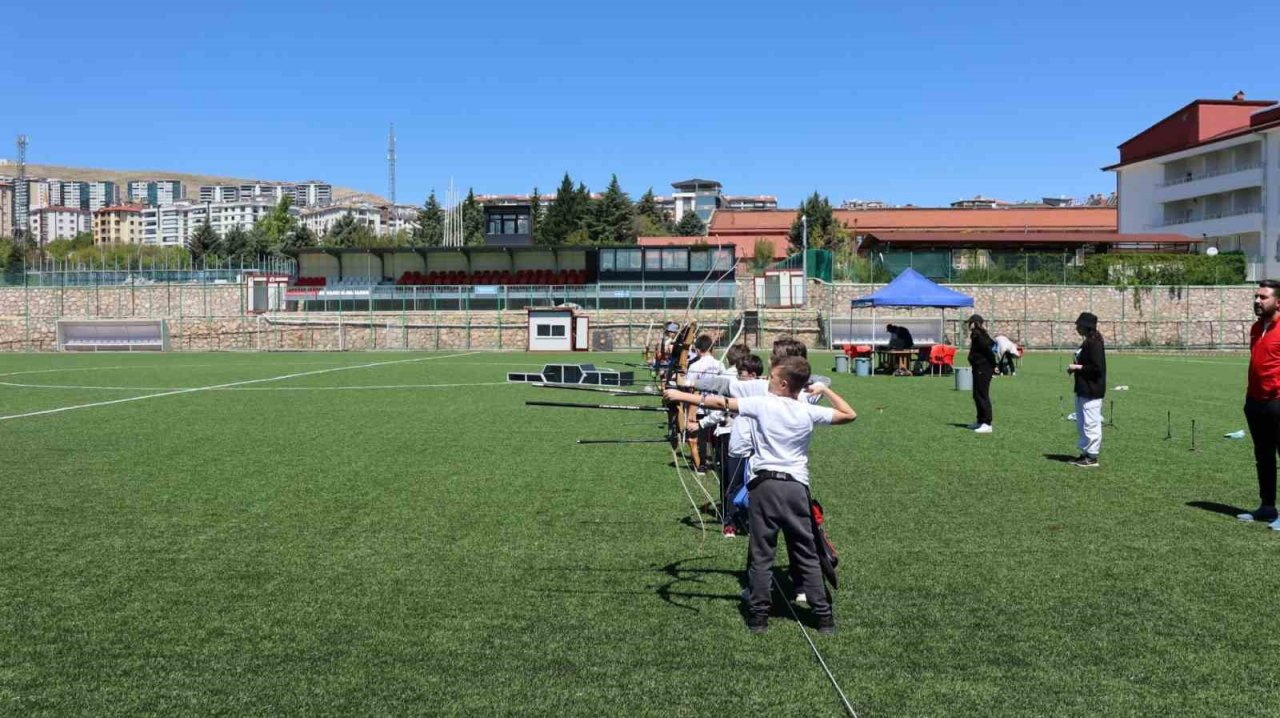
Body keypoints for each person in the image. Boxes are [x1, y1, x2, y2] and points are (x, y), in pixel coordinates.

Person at [665, 355, 856, 635]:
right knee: (806, 554)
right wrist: (824, 390)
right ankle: (824, 619)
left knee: (761, 553)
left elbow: (721, 403)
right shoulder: (806, 409)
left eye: (770, 377)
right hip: (795, 488)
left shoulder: (762, 404)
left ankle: (758, 618)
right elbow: (849, 414)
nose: (765, 381)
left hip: (765, 487)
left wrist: (679, 394)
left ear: (781, 383)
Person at [700, 351, 763, 537]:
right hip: (737, 446)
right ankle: (730, 523)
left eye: (741, 373)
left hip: (758, 448)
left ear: (752, 375)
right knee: (731, 485)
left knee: (755, 486)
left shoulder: (764, 390)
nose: (738, 376)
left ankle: (750, 521)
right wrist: (685, 385)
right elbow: (721, 408)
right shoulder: (738, 389)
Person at [1238, 280, 1280, 528]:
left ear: (1278, 302)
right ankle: (1267, 507)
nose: (1257, 301)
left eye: (1263, 297)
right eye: (1256, 296)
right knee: (1263, 456)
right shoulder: (1256, 328)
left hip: (1277, 401)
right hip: (1254, 401)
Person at [1067, 312, 1106, 468]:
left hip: (1092, 389)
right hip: (1083, 388)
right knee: (1082, 423)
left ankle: (1092, 456)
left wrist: (1077, 367)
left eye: (1079, 325)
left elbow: (1098, 368)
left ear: (1086, 326)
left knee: (1091, 423)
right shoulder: (1088, 341)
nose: (1077, 327)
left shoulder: (1095, 343)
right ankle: (1085, 453)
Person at [966, 314, 995, 433]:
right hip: (978, 367)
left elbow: (989, 349)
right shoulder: (976, 335)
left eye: (971, 323)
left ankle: (987, 423)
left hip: (983, 368)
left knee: (982, 395)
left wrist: (994, 366)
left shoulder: (980, 335)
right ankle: (980, 420)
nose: (969, 325)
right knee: (976, 395)